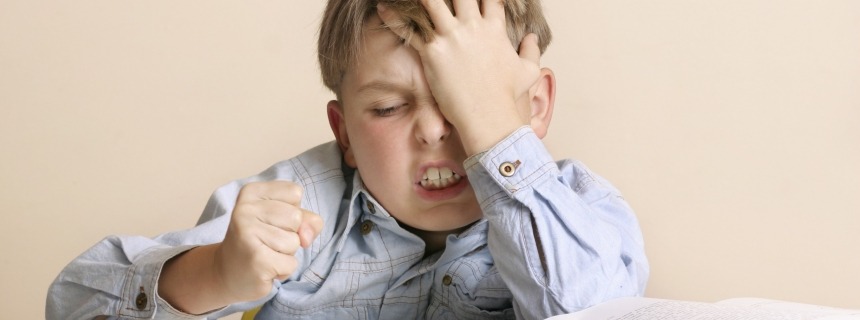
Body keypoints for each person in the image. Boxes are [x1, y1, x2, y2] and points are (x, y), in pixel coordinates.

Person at [47, 0, 649, 319]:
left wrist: (496, 133)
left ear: (535, 105)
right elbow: (73, 303)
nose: (438, 130)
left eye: (467, 103)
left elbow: (593, 313)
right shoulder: (298, 203)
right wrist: (215, 275)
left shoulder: (584, 213)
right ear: (345, 134)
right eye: (388, 107)